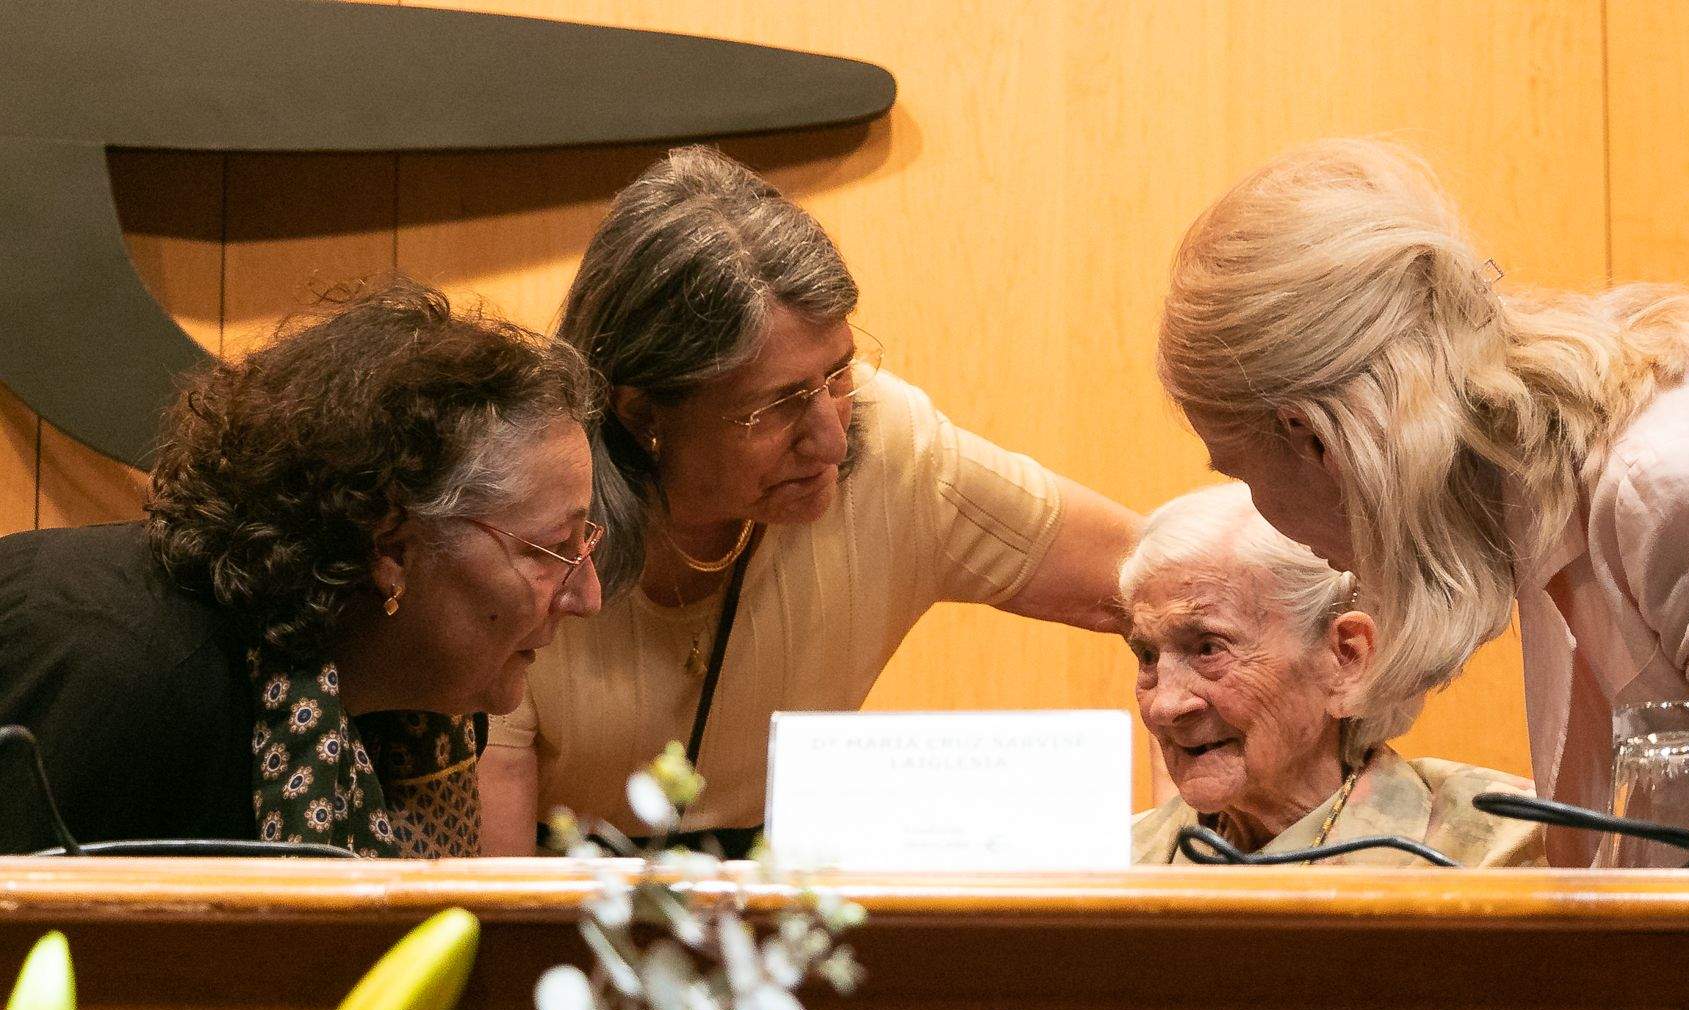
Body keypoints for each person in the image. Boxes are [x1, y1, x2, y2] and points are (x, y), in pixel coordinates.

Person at [1156, 137, 1689, 866]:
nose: (1261, 510)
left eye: (1239, 472)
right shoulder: (1558, 499)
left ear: (1316, 439)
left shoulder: (1680, 478)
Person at [478, 146, 1140, 854]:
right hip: (566, 910)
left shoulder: (890, 444)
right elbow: (493, 906)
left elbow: (1162, 576)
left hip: (795, 908)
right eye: (778, 405)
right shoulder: (530, 515)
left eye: (838, 375)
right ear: (644, 413)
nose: (829, 437)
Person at [0, 280, 604, 857]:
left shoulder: (420, 725)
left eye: (587, 543)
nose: (589, 595)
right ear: (392, 549)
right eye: (552, 549)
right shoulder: (124, 678)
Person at [1126, 484, 1541, 866]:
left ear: (1345, 659)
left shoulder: (1508, 855)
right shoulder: (1109, 865)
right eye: (1147, 655)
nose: (1164, 705)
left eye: (1208, 649)